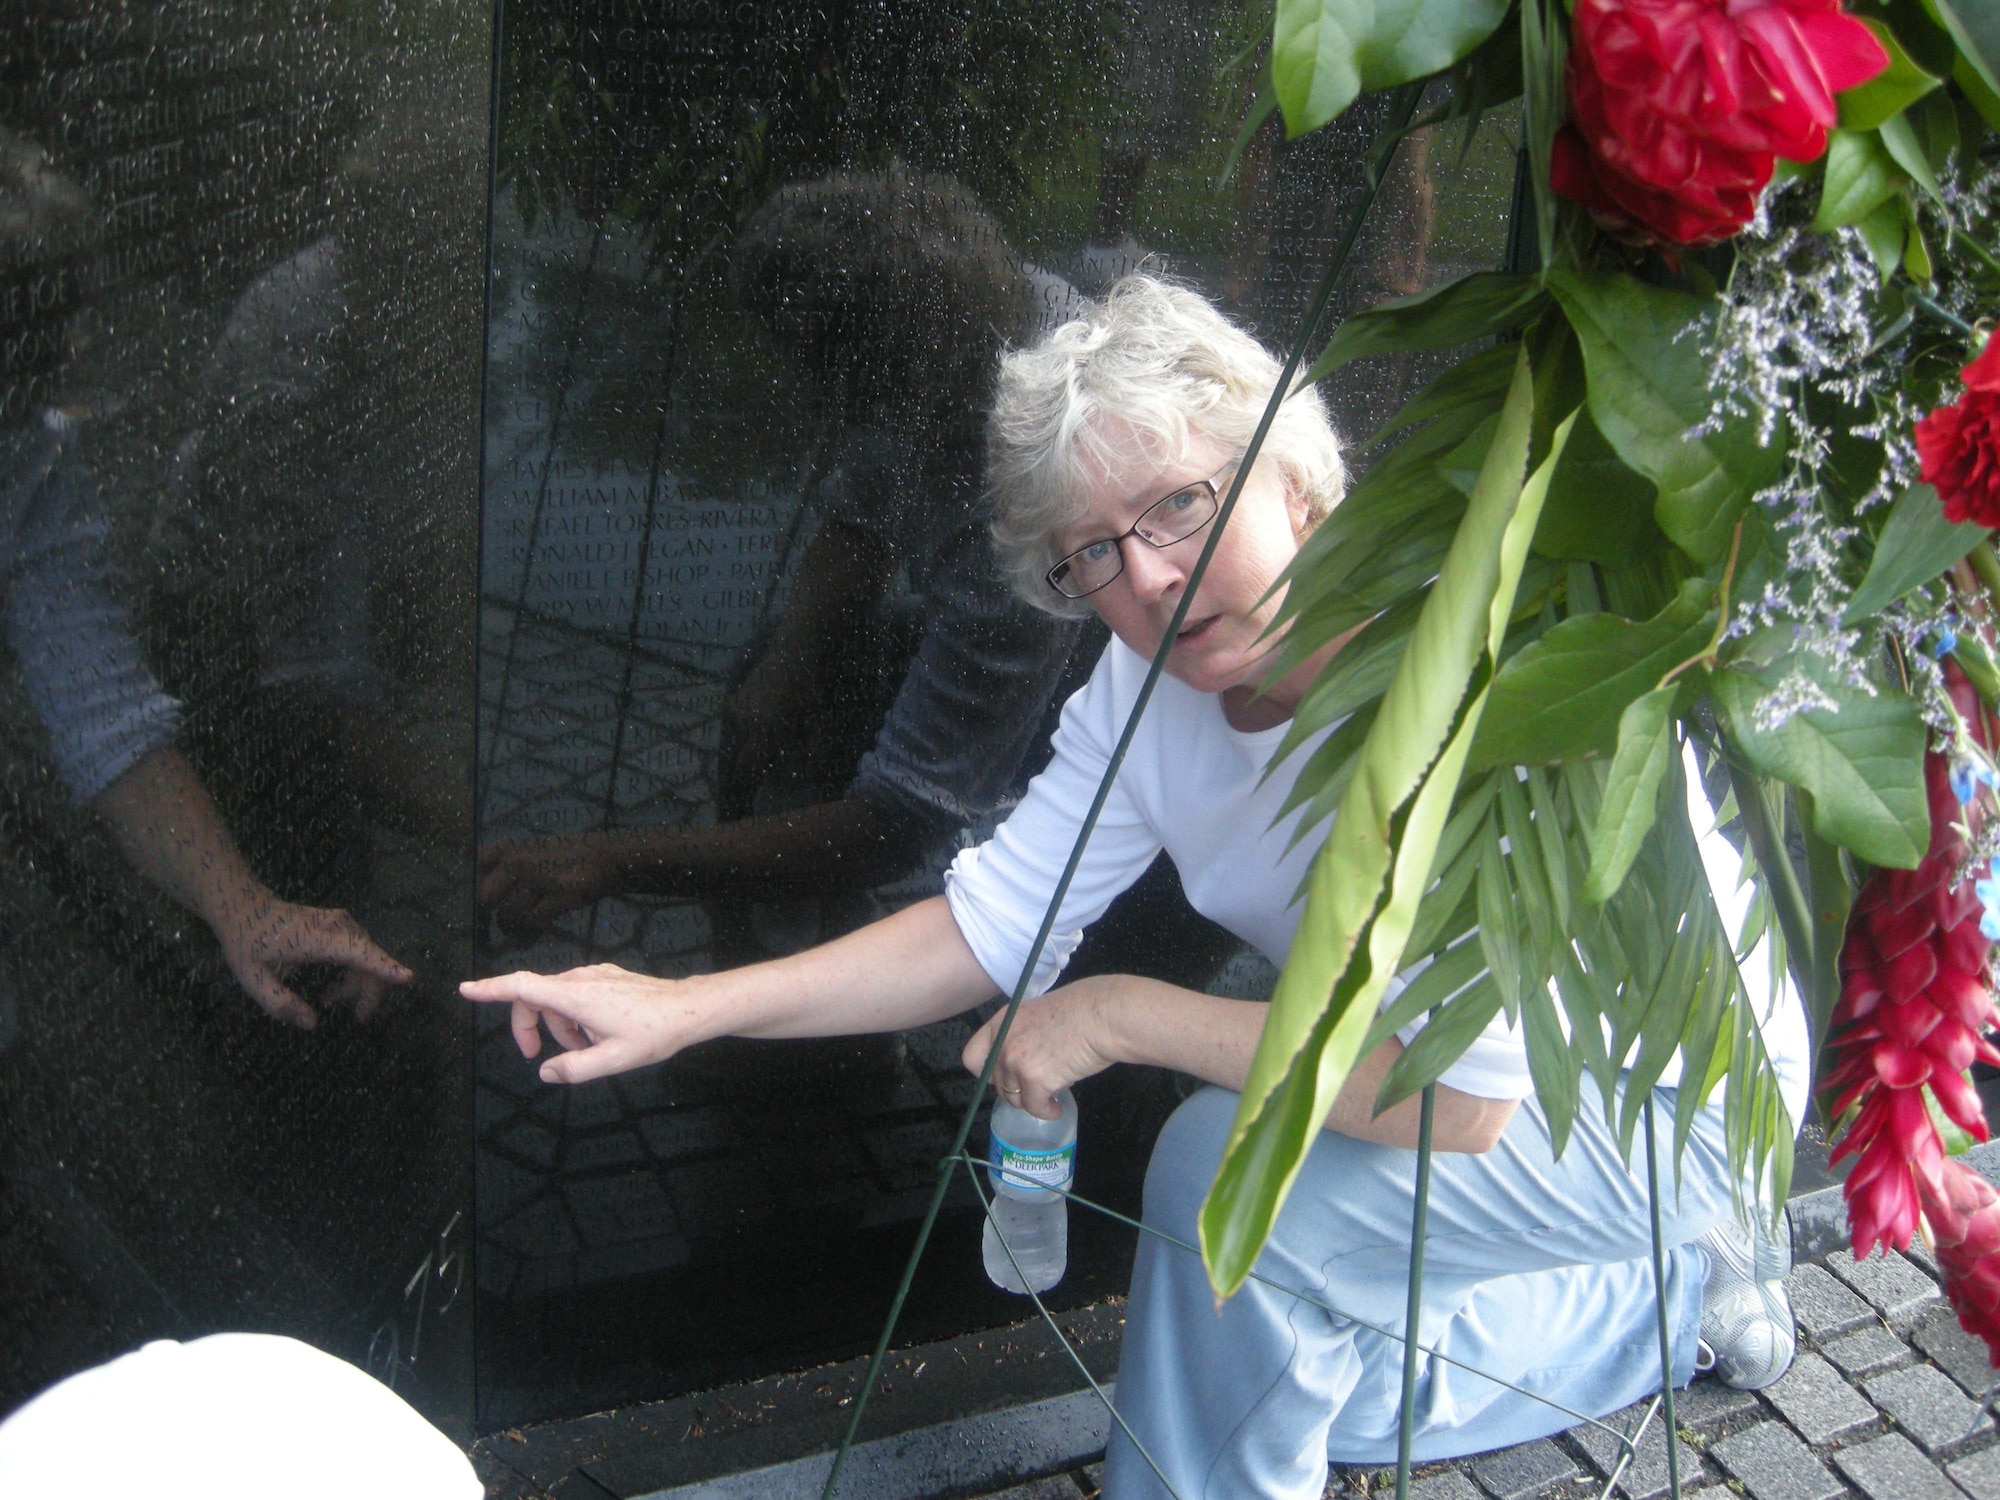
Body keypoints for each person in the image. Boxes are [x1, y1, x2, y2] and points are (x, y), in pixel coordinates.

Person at [462, 275, 1808, 1500]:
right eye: (1091, 554)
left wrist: (1113, 1012)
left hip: (1665, 1103)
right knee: (1287, 1331)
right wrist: (683, 1006)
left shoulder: (1458, 671)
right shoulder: (1149, 683)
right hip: (1494, 1094)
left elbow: (1459, 1099)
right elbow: (989, 926)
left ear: (1298, 482)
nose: (1147, 578)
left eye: (1178, 506)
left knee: (1230, 1184)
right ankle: (1679, 1306)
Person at [477, 168, 1083, 944]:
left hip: (1128, 741)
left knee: (1098, 1001)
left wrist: (611, 862)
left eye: (808, 369)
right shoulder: (970, 313)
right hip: (1040, 644)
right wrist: (792, 661)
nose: (800, 395)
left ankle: (832, 1006)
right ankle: (762, 950)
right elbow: (860, 517)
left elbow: (901, 819)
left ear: (868, 373)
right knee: (782, 663)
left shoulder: (1026, 518)